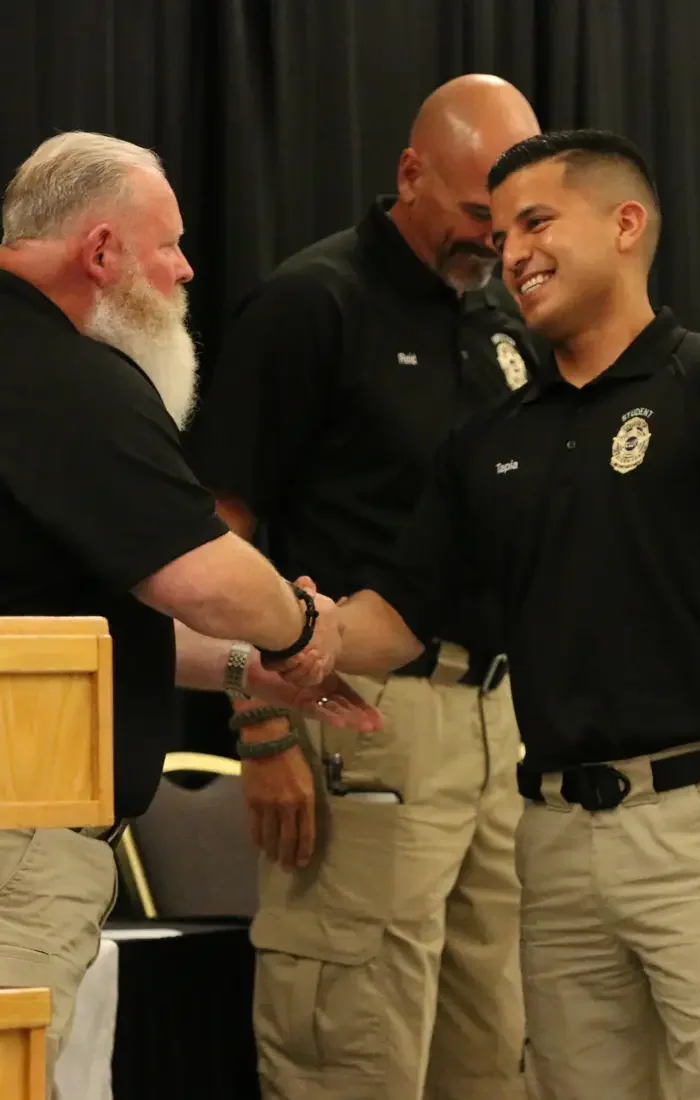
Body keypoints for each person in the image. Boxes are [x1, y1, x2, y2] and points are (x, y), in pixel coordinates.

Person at [334, 128, 700, 1100]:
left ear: (625, 224)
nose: (512, 254)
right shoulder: (488, 439)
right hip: (553, 836)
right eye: (495, 239)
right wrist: (288, 635)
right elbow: (395, 619)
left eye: (536, 221)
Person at [184, 75, 541, 1100]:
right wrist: (257, 730)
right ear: (409, 174)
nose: (497, 242)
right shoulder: (312, 302)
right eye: (479, 214)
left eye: (516, 219)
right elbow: (221, 536)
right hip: (354, 716)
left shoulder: (501, 329)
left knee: (490, 1046)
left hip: (491, 724)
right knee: (353, 1047)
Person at [0, 130, 372, 1093]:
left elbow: (68, 625)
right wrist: (297, 626)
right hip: (17, 833)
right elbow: (197, 574)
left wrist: (250, 669)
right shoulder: (63, 375)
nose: (187, 268)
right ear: (100, 253)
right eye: (167, 245)